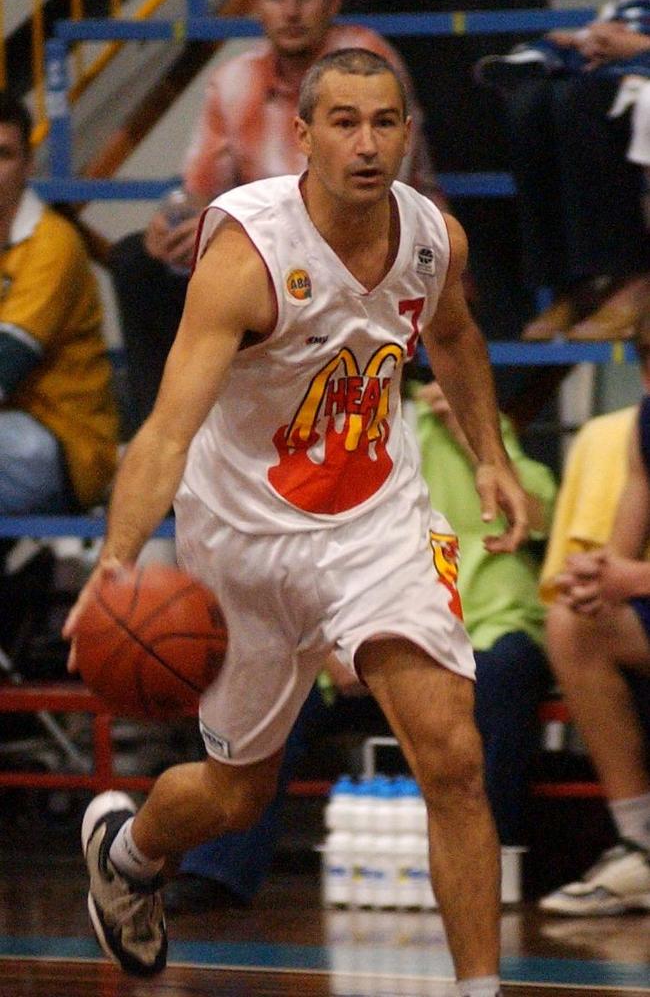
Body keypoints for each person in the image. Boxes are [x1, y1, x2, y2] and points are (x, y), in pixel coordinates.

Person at [64, 49, 528, 996]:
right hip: (244, 544)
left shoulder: (435, 239)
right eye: (346, 122)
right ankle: (129, 855)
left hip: (377, 523)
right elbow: (163, 433)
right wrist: (115, 560)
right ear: (305, 135)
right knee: (236, 796)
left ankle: (480, 989)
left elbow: (454, 337)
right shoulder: (248, 258)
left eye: (386, 122)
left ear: (409, 131)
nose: (367, 143)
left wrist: (489, 455)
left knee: (454, 754)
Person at [111, 0, 445, 433]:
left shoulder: (368, 67)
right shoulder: (234, 80)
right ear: (254, 6)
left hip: (370, 248)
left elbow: (366, 195)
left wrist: (238, 231)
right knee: (138, 261)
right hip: (270, 257)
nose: (291, 11)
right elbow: (198, 191)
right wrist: (173, 219)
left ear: (332, 3)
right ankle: (165, 445)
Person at [537, 322, 650, 915]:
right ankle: (643, 843)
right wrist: (594, 577)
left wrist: (628, 579)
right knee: (572, 623)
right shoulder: (645, 426)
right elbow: (622, 560)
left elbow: (633, 577)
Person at [413, 380, 556, 846]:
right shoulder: (396, 433)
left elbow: (538, 515)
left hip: (500, 627)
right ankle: (217, 874)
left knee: (504, 671)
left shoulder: (491, 437)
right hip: (409, 625)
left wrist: (471, 436)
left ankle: (492, 852)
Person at [474, 0, 650, 342]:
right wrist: (586, 39)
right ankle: (571, 283)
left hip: (636, 68)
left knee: (583, 102)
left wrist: (638, 46)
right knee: (530, 107)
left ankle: (633, 277)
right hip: (620, 56)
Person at [0, 92, 118, 517]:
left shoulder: (53, 242)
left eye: (4, 155)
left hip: (65, 443)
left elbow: (5, 367)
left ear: (29, 165)